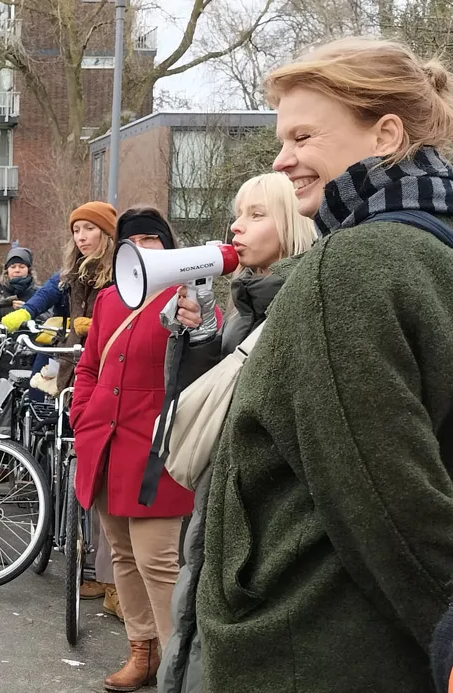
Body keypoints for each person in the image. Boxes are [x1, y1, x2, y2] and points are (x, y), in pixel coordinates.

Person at [194, 38, 453, 693]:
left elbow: (383, 497)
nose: (283, 160)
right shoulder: (431, 249)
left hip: (317, 644)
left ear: (385, 133)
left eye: (303, 136)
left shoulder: (351, 267)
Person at [158, 172, 316, 693]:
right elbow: (212, 398)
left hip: (251, 511)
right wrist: (199, 333)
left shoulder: (299, 301)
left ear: (292, 222)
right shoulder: (251, 299)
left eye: (256, 214)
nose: (237, 226)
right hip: (220, 495)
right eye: (237, 214)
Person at [70, 207, 196, 692]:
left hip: (157, 445)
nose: (142, 248)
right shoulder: (107, 301)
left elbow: (207, 357)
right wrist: (83, 415)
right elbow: (89, 366)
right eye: (133, 241)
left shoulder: (189, 298)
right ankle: (141, 651)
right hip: (104, 440)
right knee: (121, 553)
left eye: (151, 239)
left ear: (168, 245)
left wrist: (201, 316)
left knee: (158, 560)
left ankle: (175, 665)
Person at [3, 201, 121, 613]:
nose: (82, 237)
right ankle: (88, 568)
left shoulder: (122, 272)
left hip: (111, 373)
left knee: (101, 473)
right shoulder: (72, 272)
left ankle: (114, 584)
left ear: (107, 234)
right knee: (70, 464)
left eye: (89, 229)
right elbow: (46, 294)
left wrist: (99, 327)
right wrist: (24, 315)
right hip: (75, 370)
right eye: (77, 230)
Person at [0, 246, 40, 311]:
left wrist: (28, 310)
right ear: (7, 270)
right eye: (13, 267)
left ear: (29, 270)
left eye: (22, 267)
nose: (17, 270)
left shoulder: (38, 292)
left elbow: (48, 315)